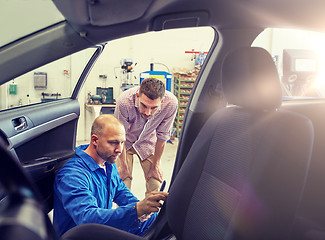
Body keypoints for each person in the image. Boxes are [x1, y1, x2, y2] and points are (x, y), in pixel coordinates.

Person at [53, 114, 168, 237]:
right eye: (113, 143)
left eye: (122, 142)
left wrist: (145, 209)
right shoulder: (72, 175)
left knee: (157, 223)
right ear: (95, 140)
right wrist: (137, 209)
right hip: (81, 235)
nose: (119, 149)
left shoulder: (107, 161)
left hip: (100, 230)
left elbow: (119, 191)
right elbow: (87, 219)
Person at [114, 78, 178, 196]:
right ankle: (126, 212)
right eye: (144, 105)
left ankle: (149, 213)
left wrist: (156, 165)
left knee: (155, 182)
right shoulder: (124, 101)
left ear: (162, 100)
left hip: (147, 141)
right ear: (138, 95)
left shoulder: (171, 103)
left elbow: (162, 137)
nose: (148, 112)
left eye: (154, 108)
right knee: (123, 182)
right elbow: (119, 135)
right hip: (125, 142)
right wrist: (122, 165)